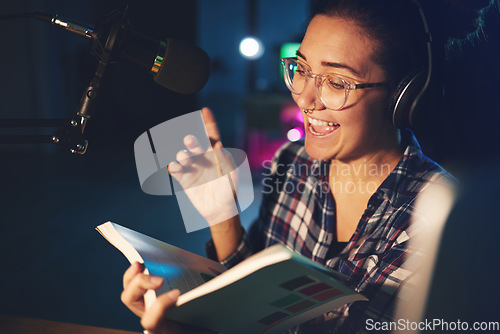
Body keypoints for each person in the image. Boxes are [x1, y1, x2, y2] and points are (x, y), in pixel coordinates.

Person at [120, 0, 496, 332]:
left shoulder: (438, 223)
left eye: (335, 81)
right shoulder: (291, 162)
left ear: (402, 97)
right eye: (300, 68)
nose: (305, 97)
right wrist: (222, 217)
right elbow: (255, 304)